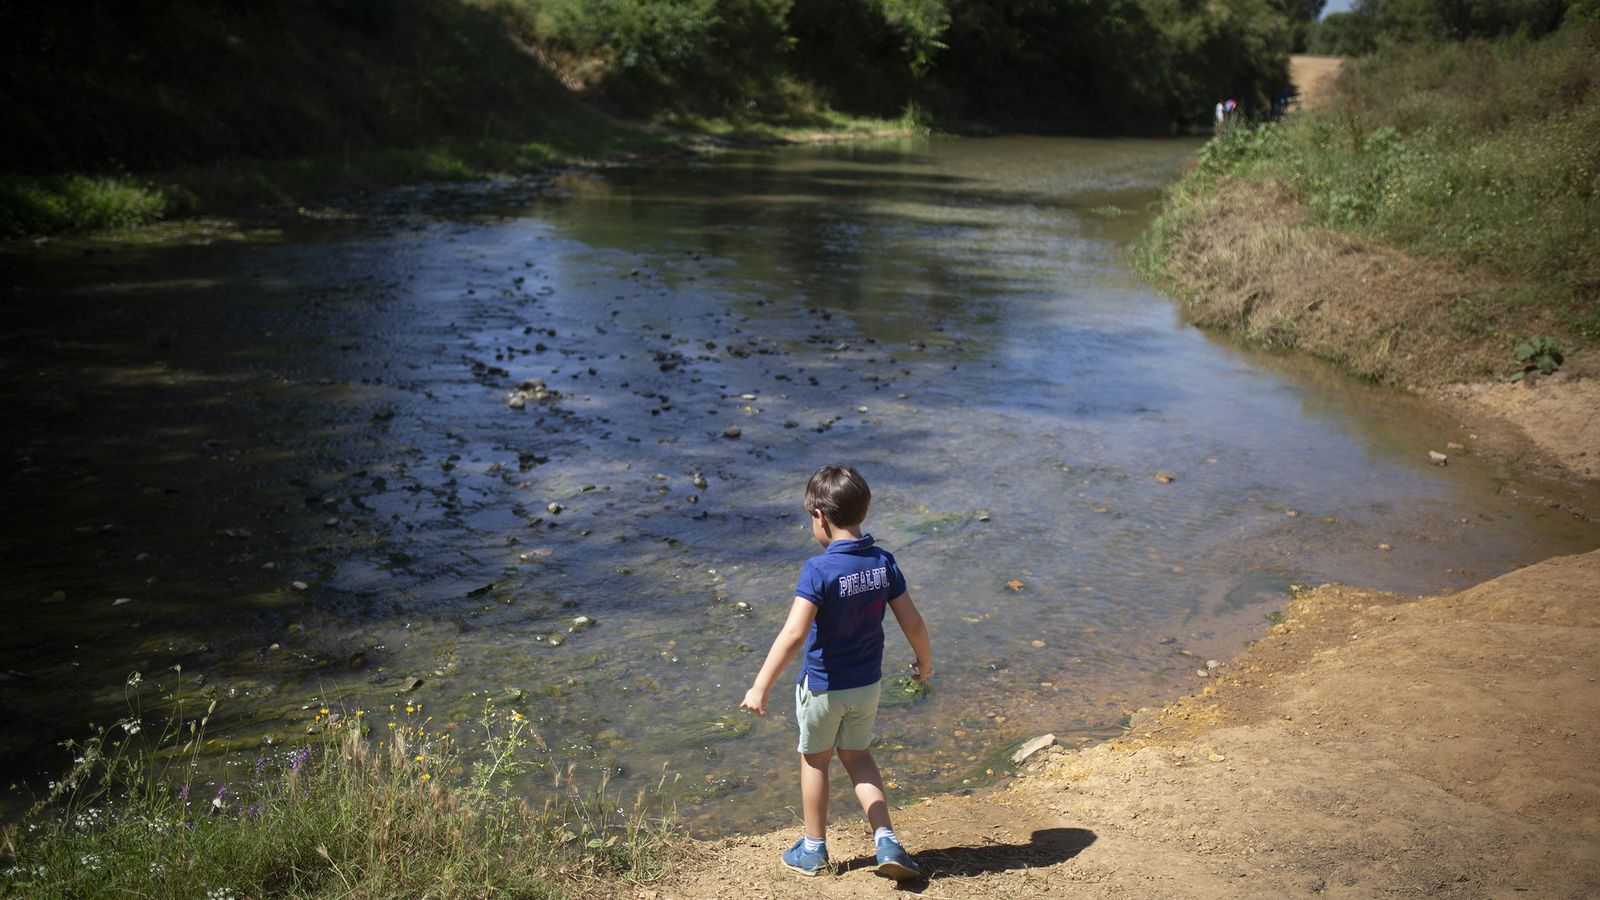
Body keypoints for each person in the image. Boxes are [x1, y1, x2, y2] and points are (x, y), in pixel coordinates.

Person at [740, 464, 934, 880]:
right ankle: (887, 841)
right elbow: (913, 621)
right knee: (859, 757)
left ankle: (813, 849)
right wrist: (925, 660)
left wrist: (760, 686)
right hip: (866, 685)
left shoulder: (818, 569)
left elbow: (794, 634)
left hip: (824, 688)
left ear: (820, 516)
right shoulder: (883, 562)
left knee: (815, 762)